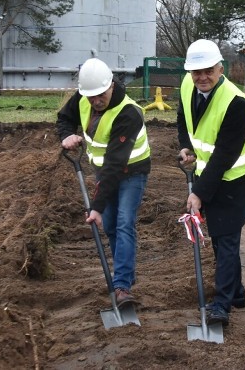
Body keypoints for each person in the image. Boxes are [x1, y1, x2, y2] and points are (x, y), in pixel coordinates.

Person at [57, 58, 151, 307]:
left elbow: (114, 165)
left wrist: (95, 207)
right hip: (104, 172)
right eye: (90, 97)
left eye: (100, 95)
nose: (95, 101)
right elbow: (64, 118)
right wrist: (67, 135)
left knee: (123, 223)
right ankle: (125, 274)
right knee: (110, 226)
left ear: (111, 85)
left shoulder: (129, 113)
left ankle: (122, 287)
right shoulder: (83, 98)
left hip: (132, 172)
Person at [176, 39, 245, 327]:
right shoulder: (187, 86)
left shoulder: (237, 104)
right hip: (207, 171)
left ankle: (221, 305)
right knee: (221, 239)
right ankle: (236, 293)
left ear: (220, 69)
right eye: (196, 72)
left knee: (226, 236)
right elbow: (183, 118)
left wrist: (198, 192)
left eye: (208, 70)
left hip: (235, 176)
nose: (202, 77)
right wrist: (186, 147)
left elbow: (224, 156)